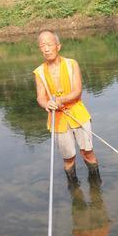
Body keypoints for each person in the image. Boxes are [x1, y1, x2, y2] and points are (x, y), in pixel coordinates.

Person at [34, 30, 100, 184]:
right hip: (57, 119)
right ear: (40, 49)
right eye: (42, 46)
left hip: (78, 114)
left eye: (49, 44)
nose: (46, 49)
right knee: (68, 158)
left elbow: (77, 91)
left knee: (87, 152)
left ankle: (97, 188)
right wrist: (47, 104)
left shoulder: (72, 64)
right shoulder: (39, 72)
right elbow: (40, 97)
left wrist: (61, 100)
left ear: (58, 46)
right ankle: (74, 192)